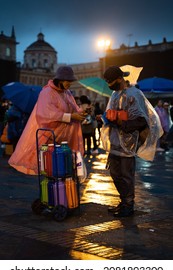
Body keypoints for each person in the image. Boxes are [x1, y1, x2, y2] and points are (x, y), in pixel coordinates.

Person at [101, 65, 163, 217]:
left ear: (120, 78)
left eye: (112, 82)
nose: (110, 86)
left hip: (129, 143)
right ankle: (123, 201)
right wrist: (106, 118)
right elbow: (111, 113)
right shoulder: (115, 95)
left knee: (126, 175)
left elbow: (142, 120)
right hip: (115, 141)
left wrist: (121, 123)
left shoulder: (135, 94)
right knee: (115, 173)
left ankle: (128, 204)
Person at [8, 66, 86, 175]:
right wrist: (71, 116)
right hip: (49, 139)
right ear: (60, 80)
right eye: (68, 81)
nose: (70, 83)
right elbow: (45, 114)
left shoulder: (67, 93)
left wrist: (82, 112)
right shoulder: (47, 92)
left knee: (65, 173)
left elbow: (74, 109)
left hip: (64, 141)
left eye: (71, 81)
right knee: (52, 172)